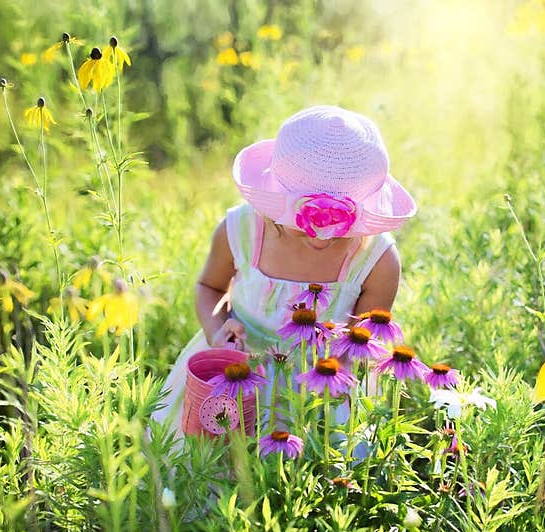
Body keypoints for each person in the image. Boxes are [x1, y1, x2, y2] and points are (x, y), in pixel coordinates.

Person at [150, 105, 417, 453]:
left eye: (341, 227)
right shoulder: (241, 231)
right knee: (210, 469)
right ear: (276, 201)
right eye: (311, 220)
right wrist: (218, 330)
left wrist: (330, 377)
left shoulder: (375, 260)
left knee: (310, 478)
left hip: (317, 392)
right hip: (236, 373)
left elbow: (361, 343)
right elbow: (210, 287)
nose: (323, 236)